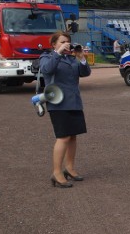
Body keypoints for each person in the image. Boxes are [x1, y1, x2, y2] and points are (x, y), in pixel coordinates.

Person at [39, 31, 91, 188]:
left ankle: (70, 168)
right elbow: (47, 70)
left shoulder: (71, 58)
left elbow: (85, 73)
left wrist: (81, 58)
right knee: (63, 137)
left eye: (67, 41)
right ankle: (57, 172)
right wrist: (58, 53)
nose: (66, 44)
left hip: (74, 101)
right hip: (58, 102)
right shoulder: (47, 57)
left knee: (73, 136)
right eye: (62, 42)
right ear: (53, 44)